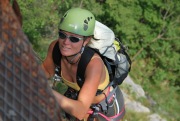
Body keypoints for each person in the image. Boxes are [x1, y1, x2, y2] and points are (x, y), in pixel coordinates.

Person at [41, 7, 125, 121]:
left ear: (86, 41)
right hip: (78, 100)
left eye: (74, 39)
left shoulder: (94, 65)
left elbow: (80, 111)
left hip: (105, 109)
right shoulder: (55, 48)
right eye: (62, 35)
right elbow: (46, 70)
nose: (65, 42)